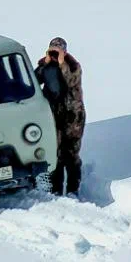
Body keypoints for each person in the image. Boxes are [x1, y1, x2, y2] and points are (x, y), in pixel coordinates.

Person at [35, 37, 85, 197]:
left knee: (71, 154)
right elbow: (33, 82)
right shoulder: (46, 66)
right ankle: (55, 190)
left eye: (59, 50)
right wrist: (45, 63)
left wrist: (62, 63)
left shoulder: (73, 66)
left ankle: (73, 190)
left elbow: (71, 81)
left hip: (73, 117)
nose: (55, 53)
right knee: (54, 154)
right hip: (53, 117)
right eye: (52, 50)